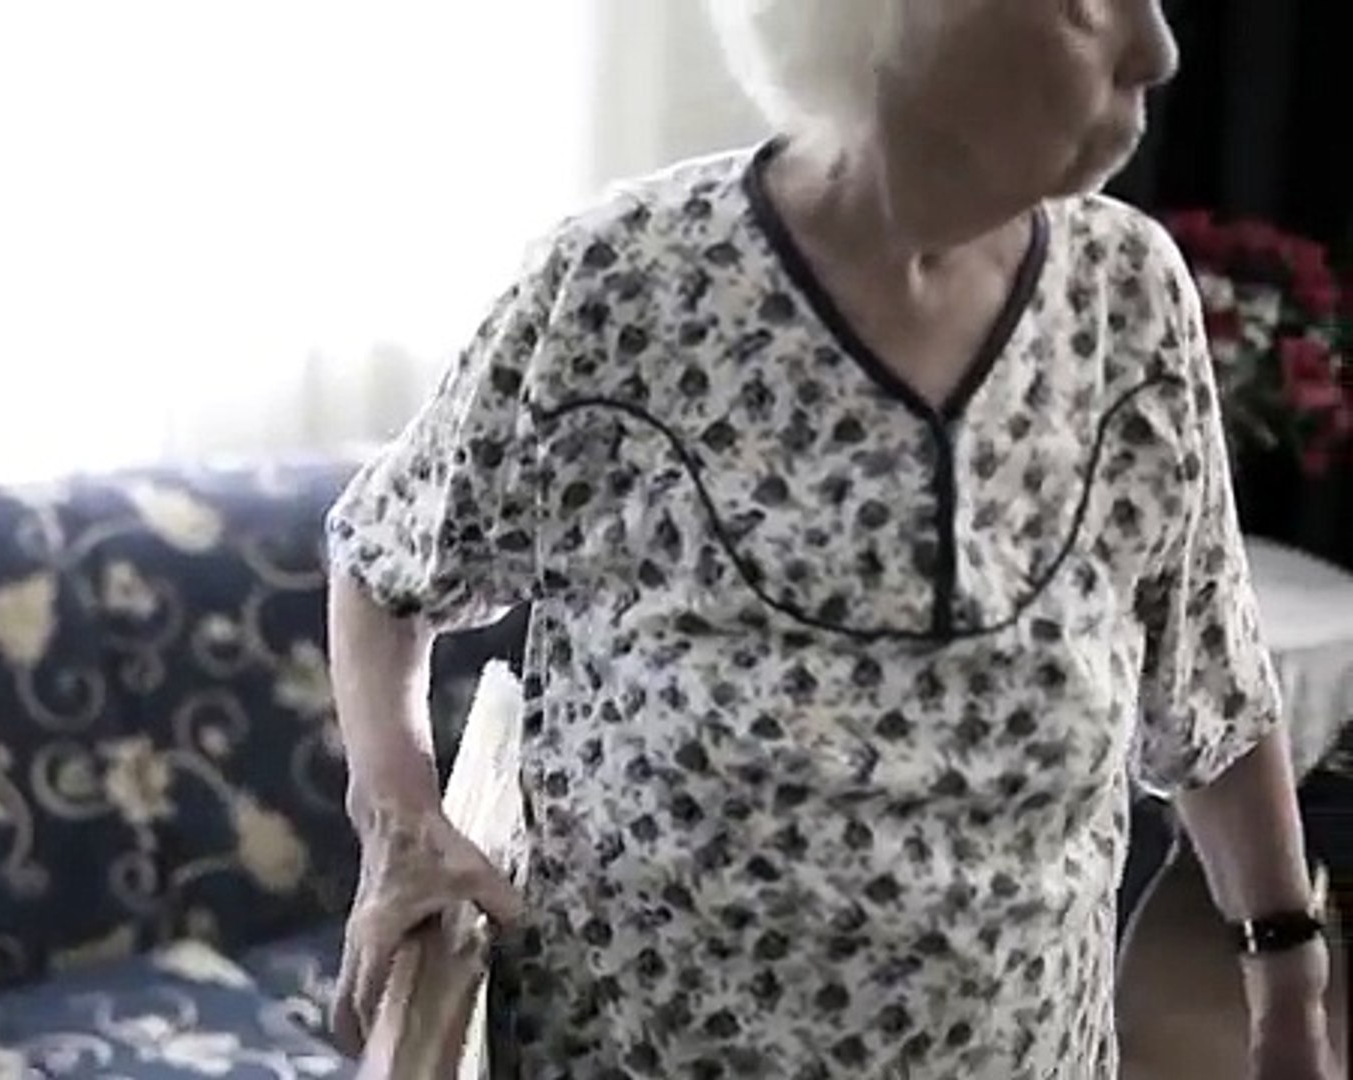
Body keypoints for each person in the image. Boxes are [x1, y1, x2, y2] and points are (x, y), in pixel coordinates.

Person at [321, 0, 1340, 1077]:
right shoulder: (622, 285)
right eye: (1084, 4)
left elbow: (1211, 680)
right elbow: (386, 561)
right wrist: (398, 820)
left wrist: (1288, 983)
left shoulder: (1128, 297)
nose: (1159, 52)